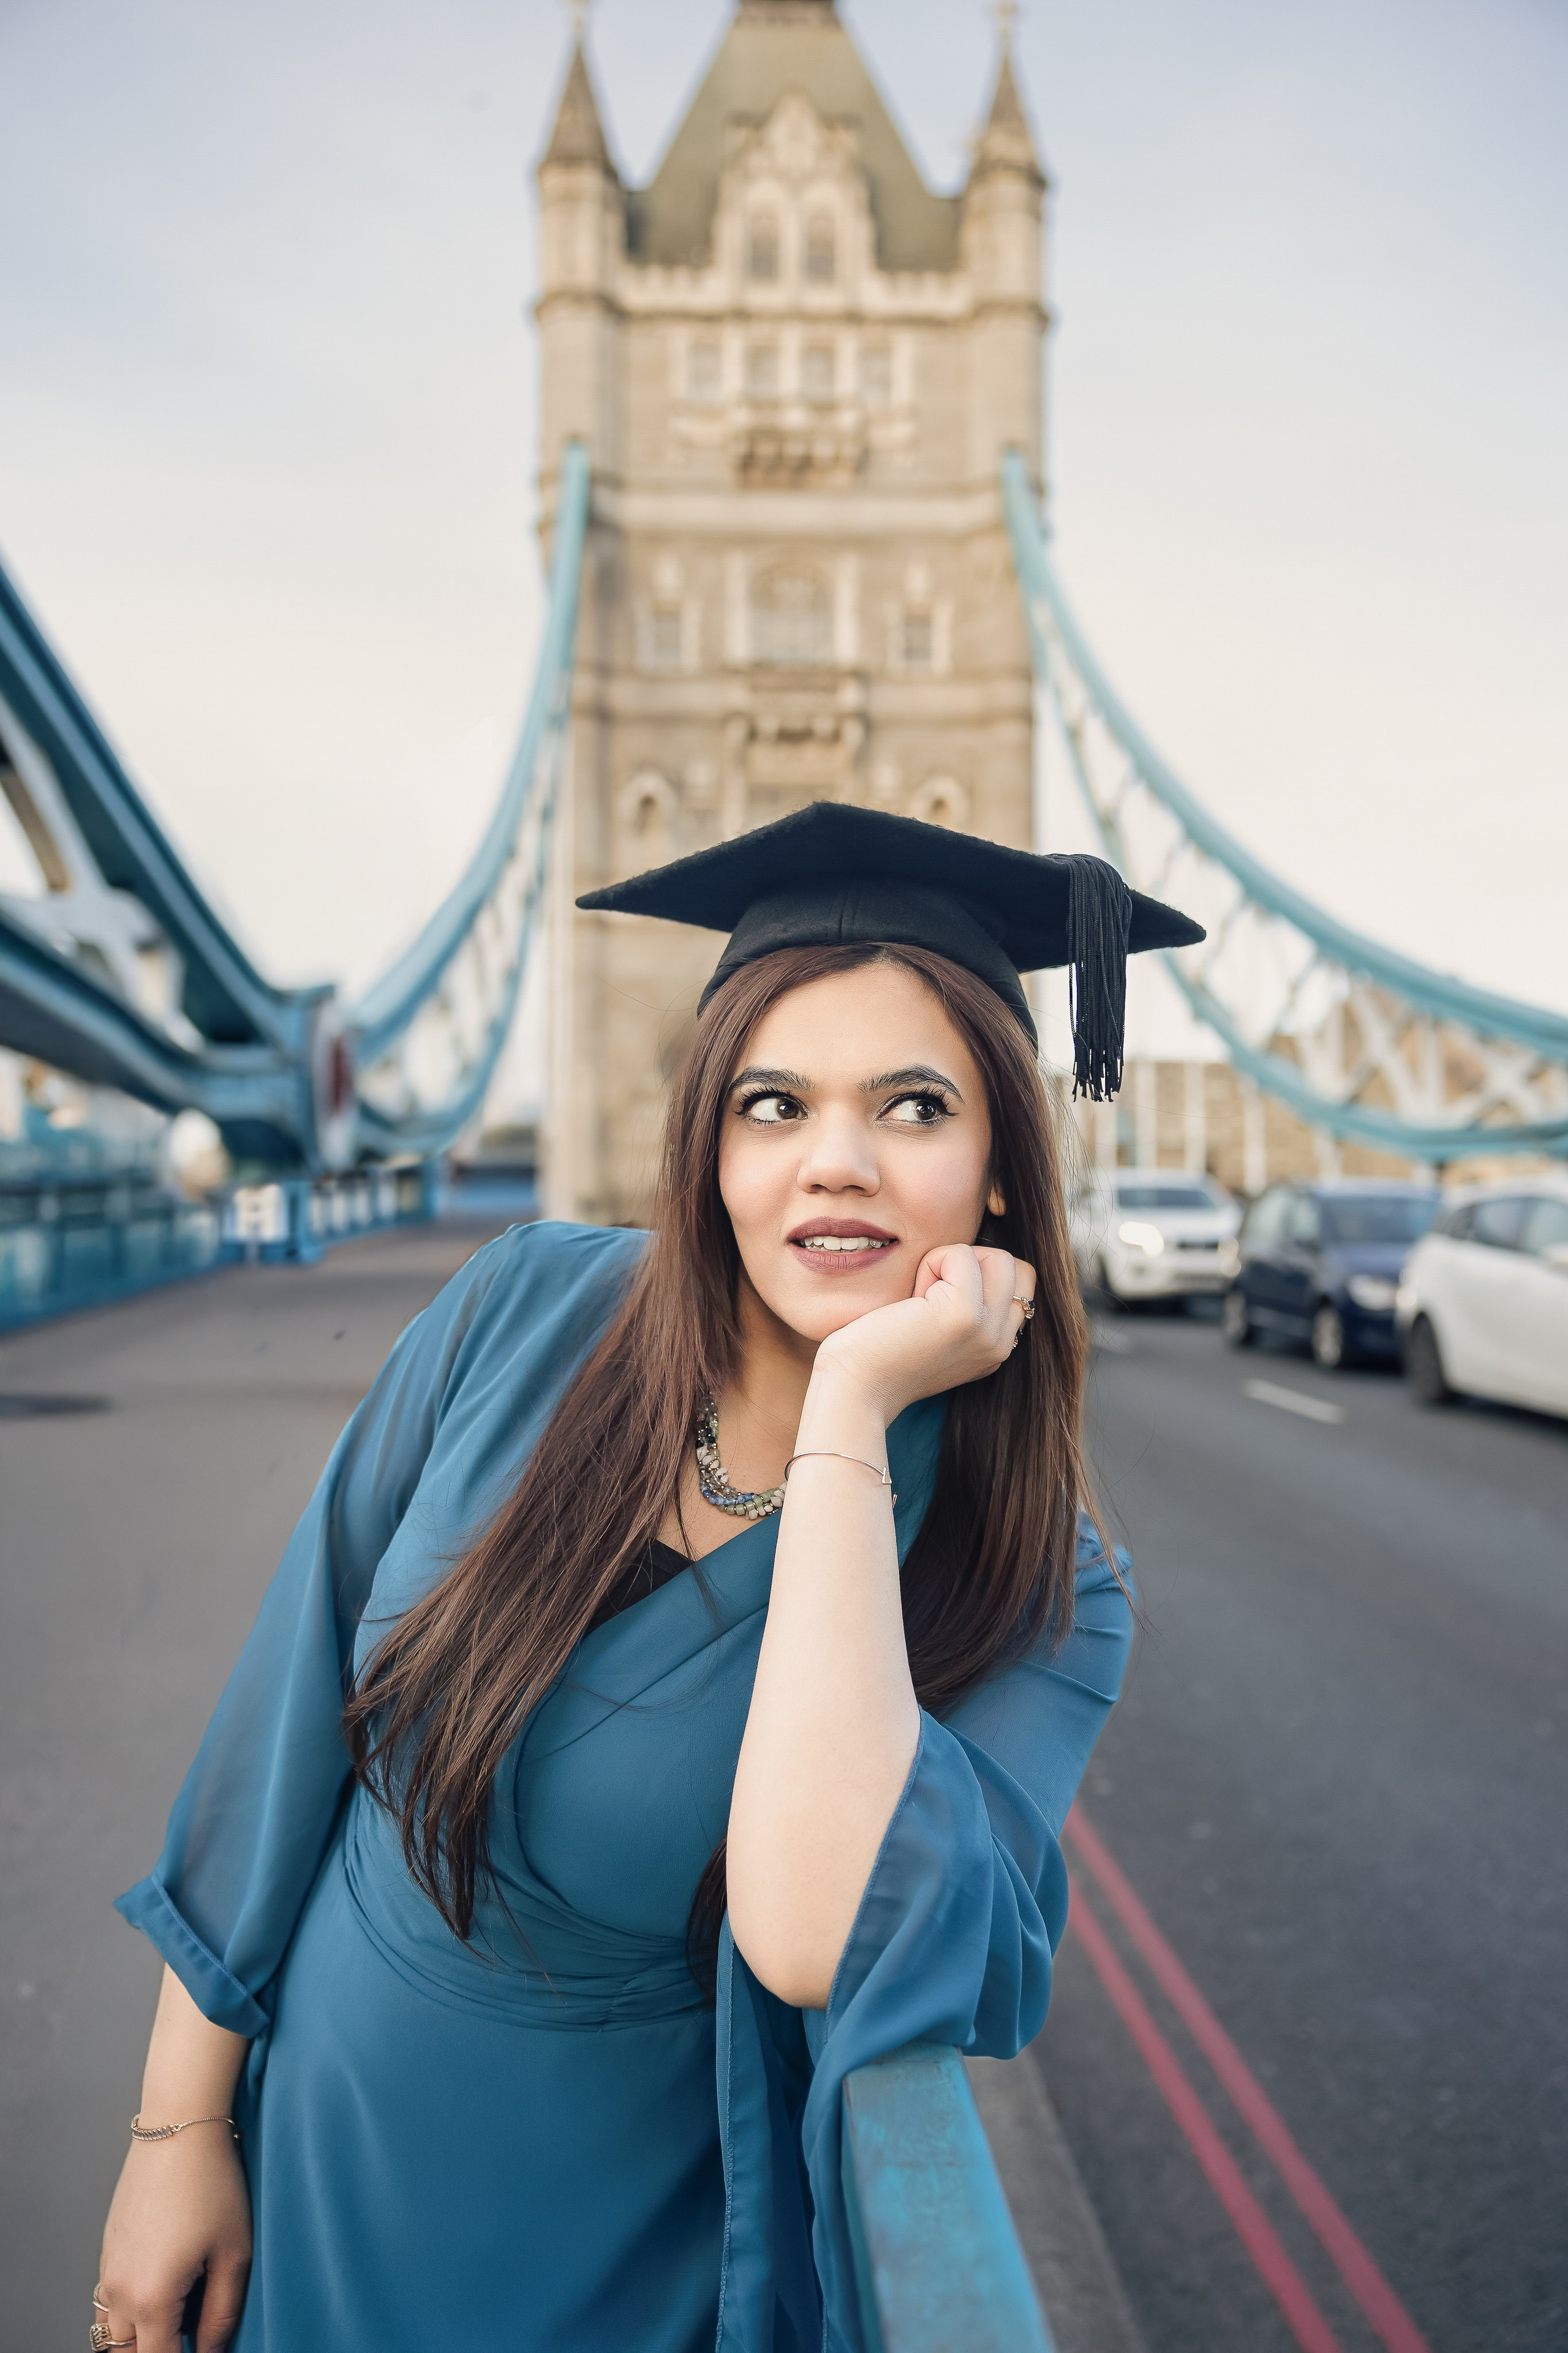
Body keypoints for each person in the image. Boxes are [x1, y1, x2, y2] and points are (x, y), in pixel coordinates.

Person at [96, 803, 1202, 2353]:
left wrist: (853, 1408)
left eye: (910, 1106)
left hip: (610, 2268)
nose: (833, 1162)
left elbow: (815, 1926)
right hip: (303, 2178)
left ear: (1003, 1171)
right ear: (710, 1144)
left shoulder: (1036, 1590)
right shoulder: (526, 1306)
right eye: (772, 1104)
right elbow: (288, 1722)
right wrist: (174, 2134)